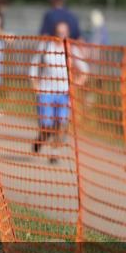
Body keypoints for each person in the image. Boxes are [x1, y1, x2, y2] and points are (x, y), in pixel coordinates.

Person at [29, 20, 88, 165]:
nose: (61, 35)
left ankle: (55, 153)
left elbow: (85, 71)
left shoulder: (71, 49)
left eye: (64, 32)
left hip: (64, 93)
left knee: (62, 124)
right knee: (47, 126)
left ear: (67, 34)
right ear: (54, 33)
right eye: (58, 32)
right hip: (46, 91)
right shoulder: (45, 46)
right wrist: (35, 85)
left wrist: (75, 85)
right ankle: (40, 139)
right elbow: (33, 67)